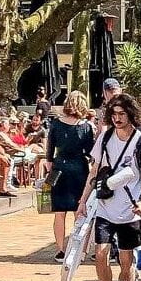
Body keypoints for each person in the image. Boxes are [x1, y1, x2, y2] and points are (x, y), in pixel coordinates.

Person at [85, 94, 141, 281]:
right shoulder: (105, 138)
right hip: (105, 207)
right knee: (100, 254)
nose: (117, 119)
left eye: (122, 114)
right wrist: (82, 203)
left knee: (126, 263)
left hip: (130, 211)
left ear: (130, 115)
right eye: (114, 114)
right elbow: (94, 171)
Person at [44, 91, 96, 258]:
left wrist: (50, 164)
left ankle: (60, 249)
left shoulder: (56, 124)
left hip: (59, 167)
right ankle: (77, 249)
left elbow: (50, 149)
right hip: (79, 168)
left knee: (59, 213)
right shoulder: (86, 126)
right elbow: (90, 151)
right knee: (78, 211)